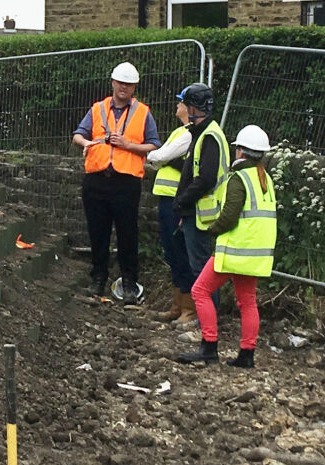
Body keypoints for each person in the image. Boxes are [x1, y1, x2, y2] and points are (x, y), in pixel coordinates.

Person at [175, 124, 277, 368]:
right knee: (248, 301)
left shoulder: (239, 178)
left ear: (240, 151)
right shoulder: (265, 179)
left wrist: (211, 230)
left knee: (200, 290)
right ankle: (246, 354)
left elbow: (230, 214)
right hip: (256, 254)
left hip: (234, 250)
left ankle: (209, 346)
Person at [72, 61, 156, 303]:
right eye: (120, 83)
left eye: (129, 84)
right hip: (97, 179)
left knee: (127, 233)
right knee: (97, 232)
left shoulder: (143, 112)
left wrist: (128, 146)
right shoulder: (98, 109)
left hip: (126, 182)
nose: (124, 88)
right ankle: (98, 279)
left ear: (134, 87)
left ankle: (129, 282)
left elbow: (153, 144)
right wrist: (85, 142)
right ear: (112, 83)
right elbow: (79, 133)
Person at [146, 83, 228, 322]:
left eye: (185, 103)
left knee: (201, 268)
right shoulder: (200, 133)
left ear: (193, 107)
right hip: (194, 211)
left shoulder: (209, 136)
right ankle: (198, 318)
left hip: (201, 213)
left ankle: (204, 322)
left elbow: (205, 179)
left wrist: (182, 200)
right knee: (192, 264)